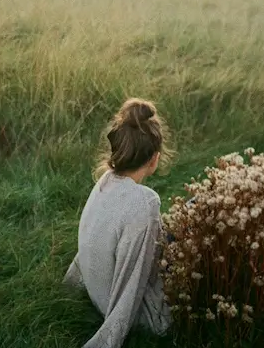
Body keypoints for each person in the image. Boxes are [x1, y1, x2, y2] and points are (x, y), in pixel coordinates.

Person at [63, 98, 173, 348]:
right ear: (154, 159)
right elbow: (132, 281)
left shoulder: (105, 181)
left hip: (98, 289)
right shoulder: (146, 203)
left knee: (179, 224)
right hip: (141, 314)